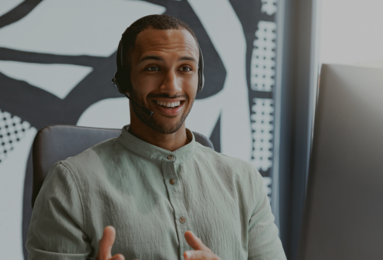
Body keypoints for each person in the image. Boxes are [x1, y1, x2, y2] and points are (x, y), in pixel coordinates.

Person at [26, 15, 286, 260]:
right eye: (153, 68)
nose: (172, 86)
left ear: (200, 79)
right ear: (125, 81)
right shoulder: (70, 183)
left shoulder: (244, 181)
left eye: (185, 68)